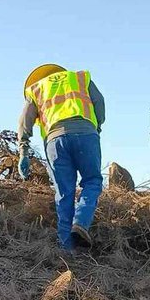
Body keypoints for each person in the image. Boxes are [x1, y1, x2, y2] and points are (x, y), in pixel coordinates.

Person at [18, 64, 105, 250]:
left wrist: (23, 152)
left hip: (54, 141)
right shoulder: (80, 78)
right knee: (92, 181)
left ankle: (67, 251)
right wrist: (96, 127)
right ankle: (81, 223)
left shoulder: (35, 89)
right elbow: (99, 102)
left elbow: (24, 121)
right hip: (86, 134)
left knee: (64, 193)